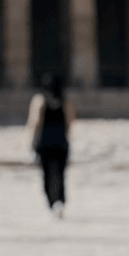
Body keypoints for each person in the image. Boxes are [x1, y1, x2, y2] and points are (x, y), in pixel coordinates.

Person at [26, 73, 74, 217]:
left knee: (47, 175)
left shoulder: (40, 101)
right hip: (61, 144)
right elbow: (70, 123)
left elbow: (35, 123)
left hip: (44, 144)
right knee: (60, 174)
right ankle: (60, 201)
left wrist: (32, 144)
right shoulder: (66, 102)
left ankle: (52, 202)